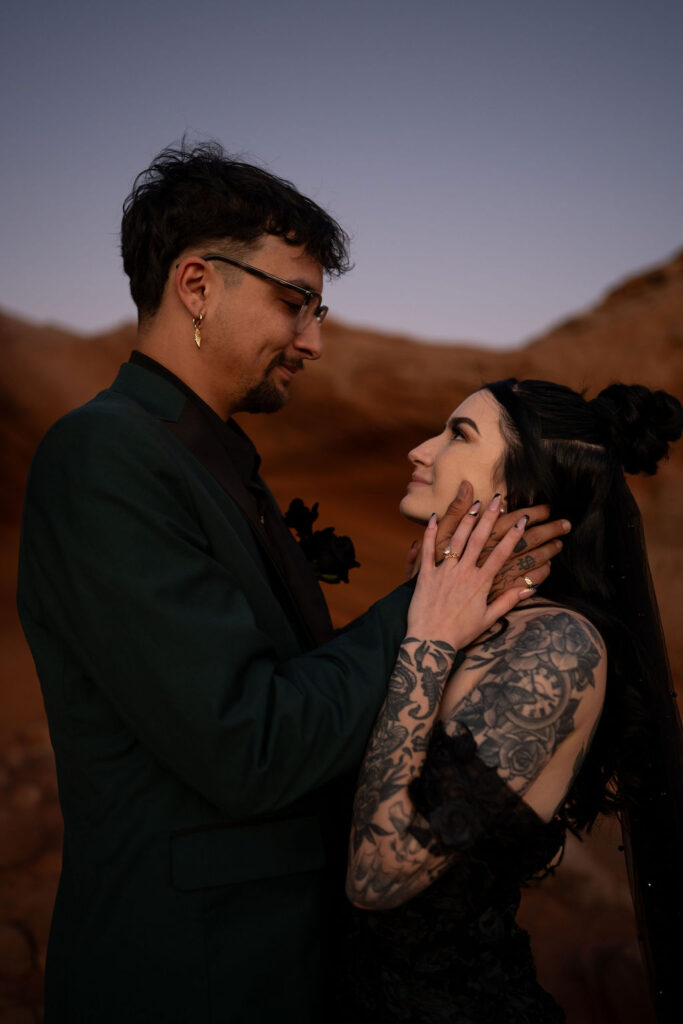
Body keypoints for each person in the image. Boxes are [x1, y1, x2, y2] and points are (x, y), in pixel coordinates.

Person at [16, 143, 563, 1024]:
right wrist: (431, 603)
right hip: (189, 975)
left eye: (319, 309)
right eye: (293, 302)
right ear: (197, 285)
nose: (312, 340)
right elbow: (250, 746)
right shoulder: (105, 455)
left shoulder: (213, 459)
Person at [344, 379, 683, 1023]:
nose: (420, 450)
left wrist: (427, 638)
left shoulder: (558, 645)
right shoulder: (462, 619)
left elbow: (377, 876)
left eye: (458, 435)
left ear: (522, 491)